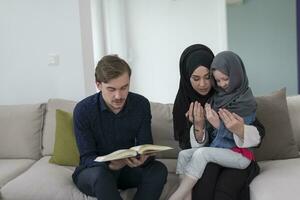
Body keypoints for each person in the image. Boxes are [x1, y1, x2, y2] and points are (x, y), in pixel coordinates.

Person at [172, 44, 265, 200]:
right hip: (210, 157)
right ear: (186, 77)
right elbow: (189, 150)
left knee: (225, 189)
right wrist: (199, 128)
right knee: (203, 183)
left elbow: (259, 132)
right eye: (196, 78)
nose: (203, 84)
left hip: (236, 155)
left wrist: (239, 130)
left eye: (208, 77)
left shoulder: (233, 95)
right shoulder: (184, 104)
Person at [72, 55, 168, 200]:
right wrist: (110, 165)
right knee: (100, 175)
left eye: (124, 88)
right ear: (98, 85)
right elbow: (86, 158)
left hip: (127, 170)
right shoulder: (83, 110)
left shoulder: (141, 105)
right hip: (95, 172)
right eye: (111, 89)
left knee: (158, 170)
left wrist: (144, 159)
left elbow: (145, 145)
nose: (118, 96)